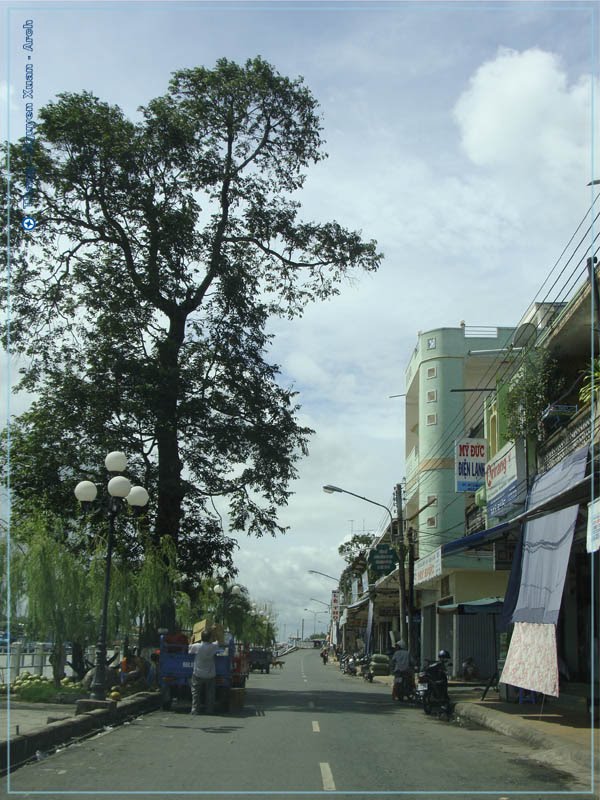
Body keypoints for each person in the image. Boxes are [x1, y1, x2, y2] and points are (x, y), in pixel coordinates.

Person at [188, 630, 221, 714]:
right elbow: (218, 641)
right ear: (210, 638)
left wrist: (192, 639)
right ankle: (209, 710)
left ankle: (195, 710)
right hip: (210, 674)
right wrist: (215, 633)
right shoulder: (213, 646)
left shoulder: (197, 646)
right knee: (210, 694)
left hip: (198, 673)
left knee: (195, 693)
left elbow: (189, 649)